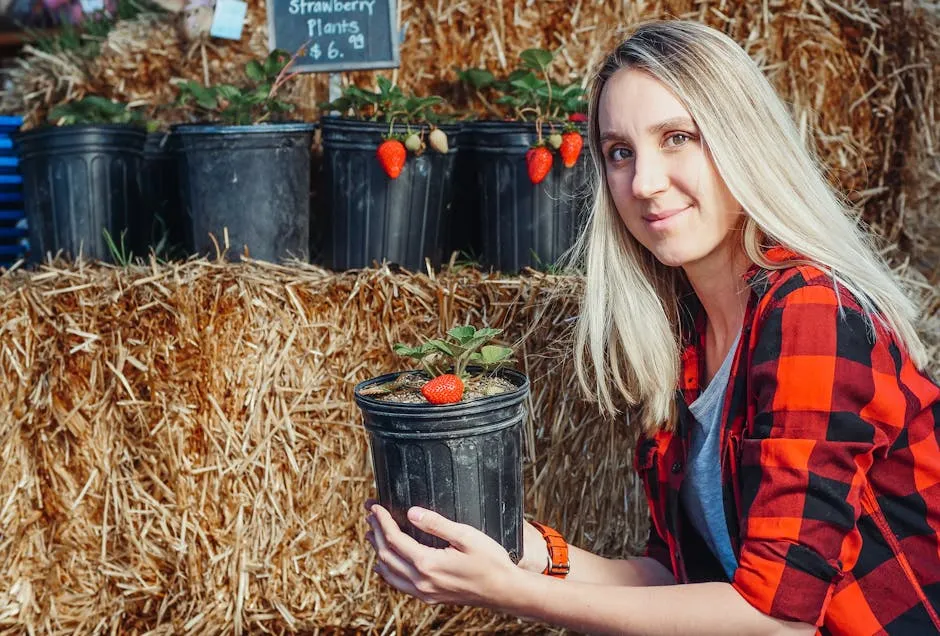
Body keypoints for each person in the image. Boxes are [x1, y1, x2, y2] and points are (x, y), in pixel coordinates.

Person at [364, 19, 940, 635]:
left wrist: (512, 594)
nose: (643, 183)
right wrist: (521, 552)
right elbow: (678, 581)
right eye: (620, 152)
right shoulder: (685, 335)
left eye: (677, 138)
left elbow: (775, 618)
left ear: (742, 141)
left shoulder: (812, 310)